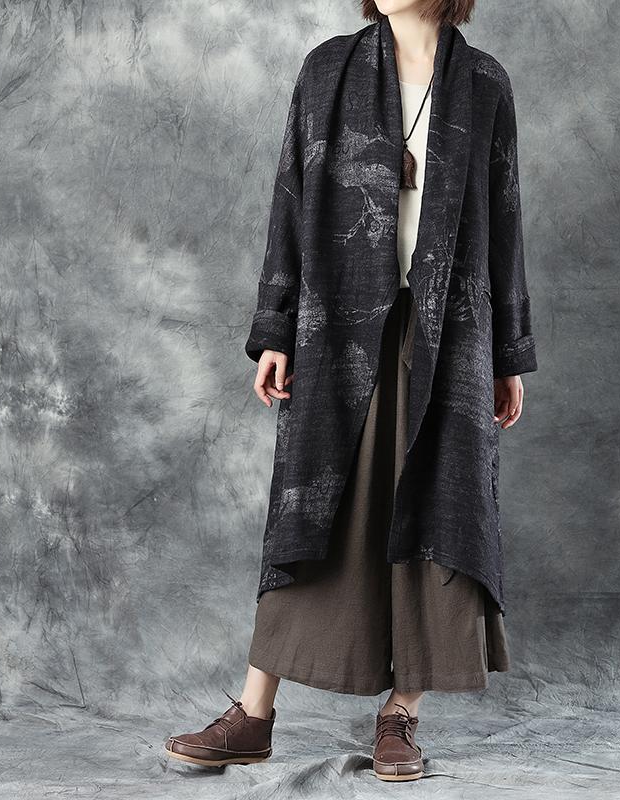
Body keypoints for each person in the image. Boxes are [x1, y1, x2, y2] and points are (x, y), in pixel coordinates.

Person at [166, 0, 536, 782]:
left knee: (440, 508)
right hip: (338, 323)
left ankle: (401, 714)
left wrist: (508, 355)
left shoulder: (484, 85)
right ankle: (254, 714)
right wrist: (275, 329)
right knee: (316, 511)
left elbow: (503, 223)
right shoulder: (327, 70)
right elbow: (291, 197)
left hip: (449, 332)